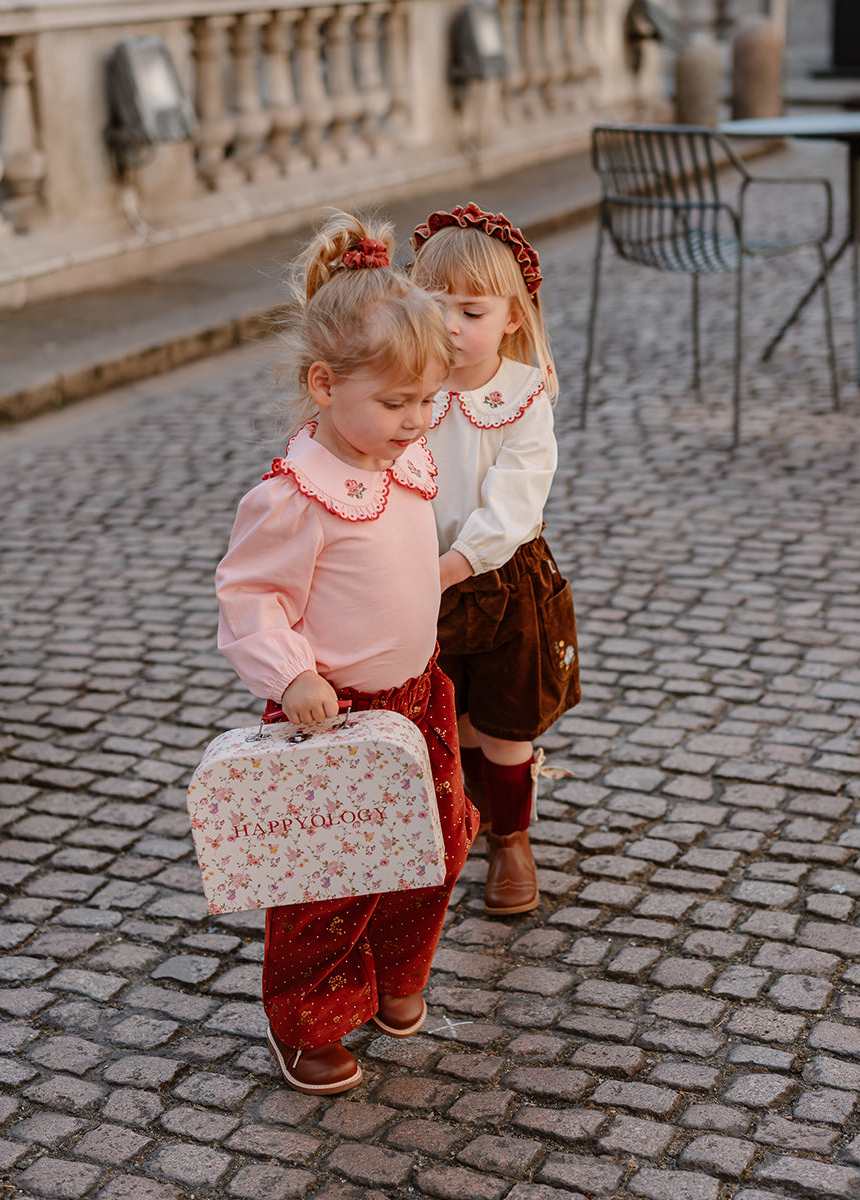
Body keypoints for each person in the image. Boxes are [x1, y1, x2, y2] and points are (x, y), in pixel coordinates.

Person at [216, 212, 478, 1097]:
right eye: (397, 403)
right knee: (329, 878)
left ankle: (397, 971)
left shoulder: (401, 459)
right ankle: (308, 1018)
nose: (416, 422)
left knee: (434, 847)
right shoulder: (298, 496)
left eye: (427, 401)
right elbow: (251, 594)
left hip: (420, 696)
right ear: (323, 386)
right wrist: (291, 673)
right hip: (337, 716)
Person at [410, 202, 580, 918]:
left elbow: (513, 502)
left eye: (471, 311)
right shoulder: (408, 385)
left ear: (513, 316)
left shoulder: (523, 398)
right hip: (417, 575)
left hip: (502, 580)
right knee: (450, 714)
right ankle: (465, 815)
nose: (451, 325)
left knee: (506, 722)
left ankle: (511, 838)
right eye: (435, 306)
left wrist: (451, 567)